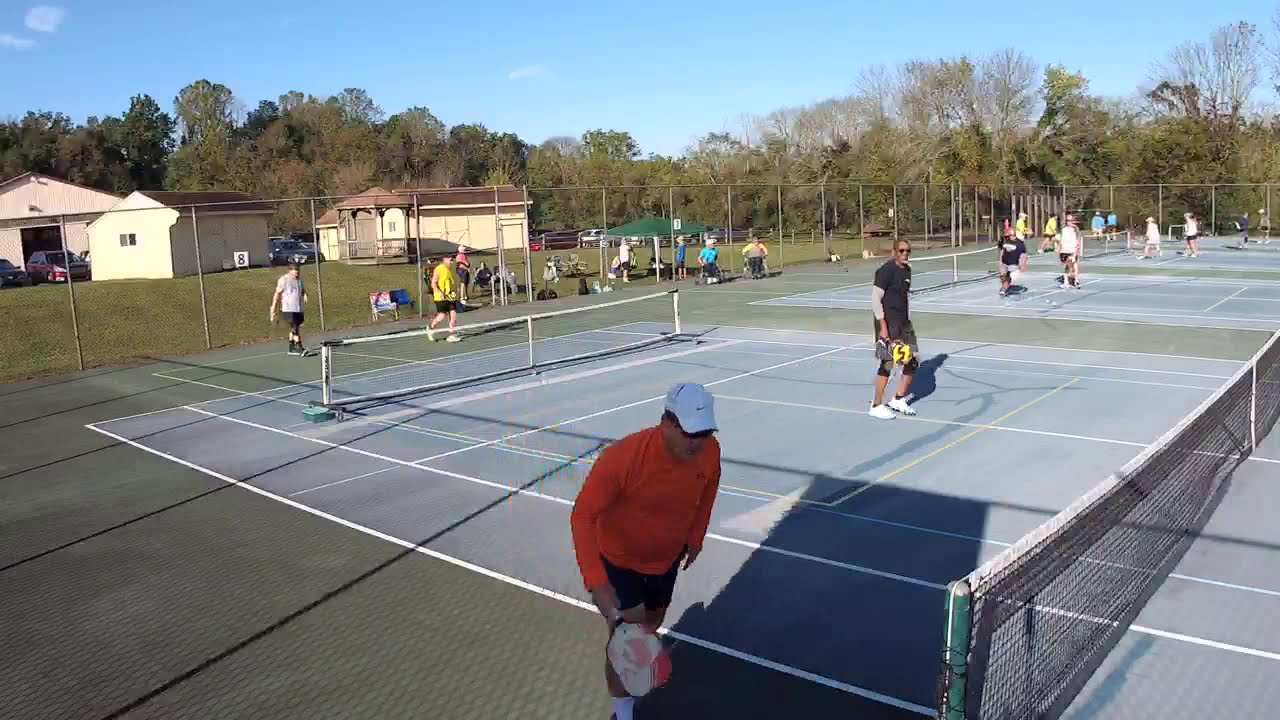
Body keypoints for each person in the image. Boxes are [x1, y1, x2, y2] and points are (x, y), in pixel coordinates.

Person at [570, 383, 722, 720]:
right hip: (620, 561)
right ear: (667, 422)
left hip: (666, 560)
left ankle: (635, 665)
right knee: (626, 638)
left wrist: (696, 535)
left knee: (651, 624)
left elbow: (710, 486)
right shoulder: (622, 459)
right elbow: (582, 516)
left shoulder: (710, 451)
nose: (697, 443)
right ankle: (622, 710)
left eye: (705, 433)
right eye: (690, 433)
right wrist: (597, 582)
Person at [870, 238, 919, 420]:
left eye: (908, 251)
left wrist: (908, 321)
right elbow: (875, 299)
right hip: (888, 323)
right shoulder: (885, 271)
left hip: (904, 323)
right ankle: (876, 405)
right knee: (888, 363)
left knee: (912, 361)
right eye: (901, 251)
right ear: (894, 252)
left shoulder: (907, 271)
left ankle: (898, 399)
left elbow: (904, 297)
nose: (905, 254)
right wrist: (883, 327)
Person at [270, 264, 309, 356]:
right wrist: (273, 307)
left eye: (298, 273)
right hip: (288, 309)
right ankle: (299, 348)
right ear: (290, 271)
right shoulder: (284, 280)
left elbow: (302, 289)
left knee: (296, 327)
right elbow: (277, 294)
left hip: (298, 308)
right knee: (295, 328)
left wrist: (305, 295)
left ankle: (291, 348)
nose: (297, 275)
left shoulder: (299, 279)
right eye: (295, 273)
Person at [428, 255, 461, 342]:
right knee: (442, 315)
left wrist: (456, 292)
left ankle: (452, 334)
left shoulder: (451, 269)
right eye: (449, 259)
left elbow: (452, 282)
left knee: (453, 315)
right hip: (440, 297)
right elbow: (433, 283)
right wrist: (439, 292)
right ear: (444, 259)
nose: (451, 260)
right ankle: (431, 328)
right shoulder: (439, 269)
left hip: (450, 296)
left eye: (452, 259)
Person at [997, 228, 1028, 297]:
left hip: (1014, 264)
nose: (1007, 237)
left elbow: (1023, 256)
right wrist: (1000, 262)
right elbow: (1002, 251)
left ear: (1012, 235)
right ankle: (1005, 287)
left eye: (1008, 236)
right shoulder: (1005, 242)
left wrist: (1021, 265)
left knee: (1009, 276)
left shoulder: (1020, 244)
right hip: (1005, 263)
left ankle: (1005, 288)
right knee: (1003, 275)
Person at [1057, 214, 1082, 288]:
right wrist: (1060, 249)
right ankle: (1066, 281)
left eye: (1071, 220)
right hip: (1065, 250)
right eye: (1067, 220)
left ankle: (1076, 280)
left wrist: (1076, 250)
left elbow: (1078, 240)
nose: (1069, 222)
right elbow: (1061, 240)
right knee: (1067, 266)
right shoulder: (1063, 229)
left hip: (1072, 250)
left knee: (1074, 265)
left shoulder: (1075, 229)